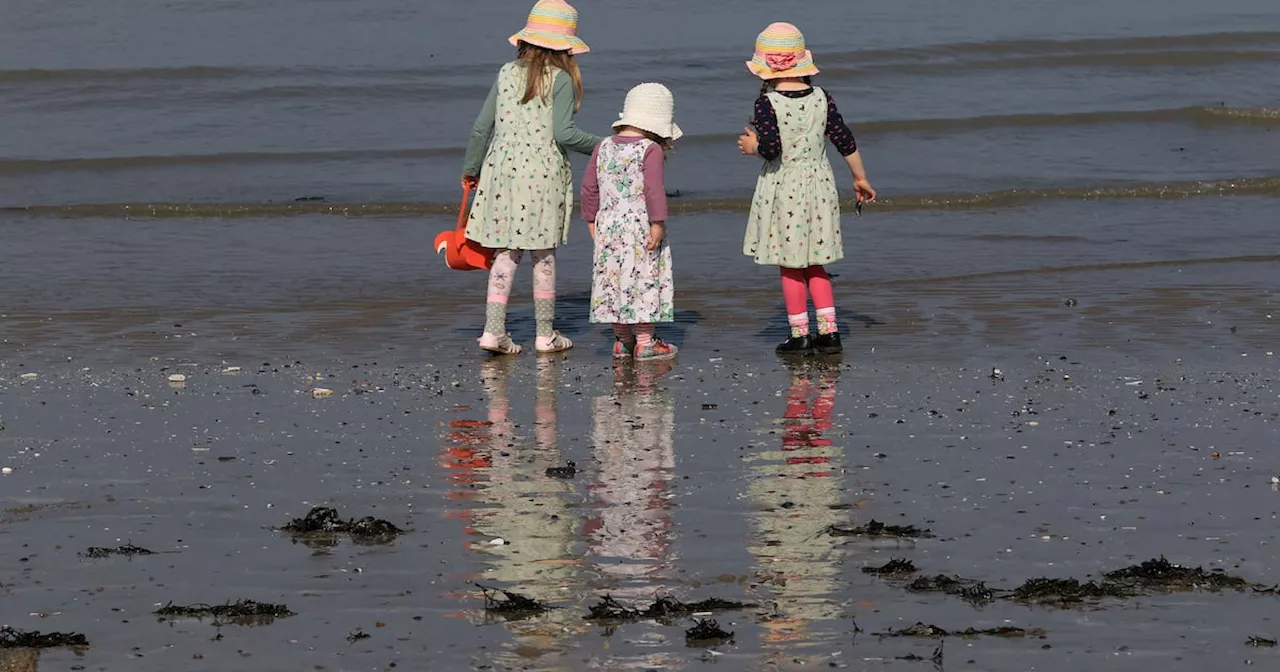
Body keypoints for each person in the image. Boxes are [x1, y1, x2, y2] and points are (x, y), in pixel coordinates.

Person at [461, 0, 602, 355]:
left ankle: (493, 331)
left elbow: (481, 128)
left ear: (526, 40)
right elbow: (565, 135)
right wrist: (604, 147)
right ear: (565, 48)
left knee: (505, 251)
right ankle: (545, 334)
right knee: (543, 254)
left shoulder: (506, 72)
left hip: (501, 171)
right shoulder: (562, 80)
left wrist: (471, 169)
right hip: (542, 173)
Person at [737, 22, 877, 356]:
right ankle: (829, 334)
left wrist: (752, 145)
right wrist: (860, 178)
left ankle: (799, 335)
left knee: (790, 265)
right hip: (819, 186)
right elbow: (844, 140)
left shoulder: (767, 103)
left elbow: (772, 150)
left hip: (785, 187)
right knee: (816, 262)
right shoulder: (821, 98)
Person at [581, 83, 680, 361]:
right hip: (640, 225)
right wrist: (658, 223)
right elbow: (653, 190)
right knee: (644, 280)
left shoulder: (602, 146)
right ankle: (646, 342)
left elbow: (589, 187)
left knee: (614, 280)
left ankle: (622, 341)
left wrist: (591, 218)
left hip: (609, 225)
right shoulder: (650, 149)